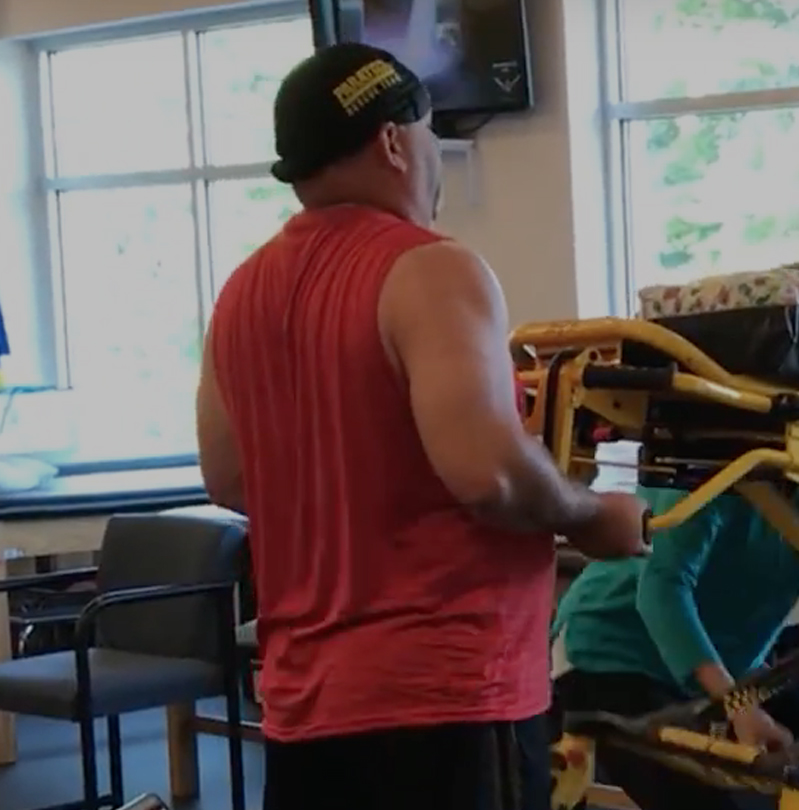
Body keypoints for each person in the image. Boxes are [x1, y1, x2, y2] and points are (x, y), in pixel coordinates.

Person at [195, 43, 648, 810]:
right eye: (433, 134)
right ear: (394, 139)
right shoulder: (432, 269)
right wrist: (594, 515)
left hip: (306, 708)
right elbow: (492, 475)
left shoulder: (241, 291)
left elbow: (231, 479)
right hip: (444, 697)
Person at [552, 483, 799, 810]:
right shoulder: (710, 450)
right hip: (610, 653)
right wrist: (737, 705)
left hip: (732, 670)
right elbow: (662, 590)